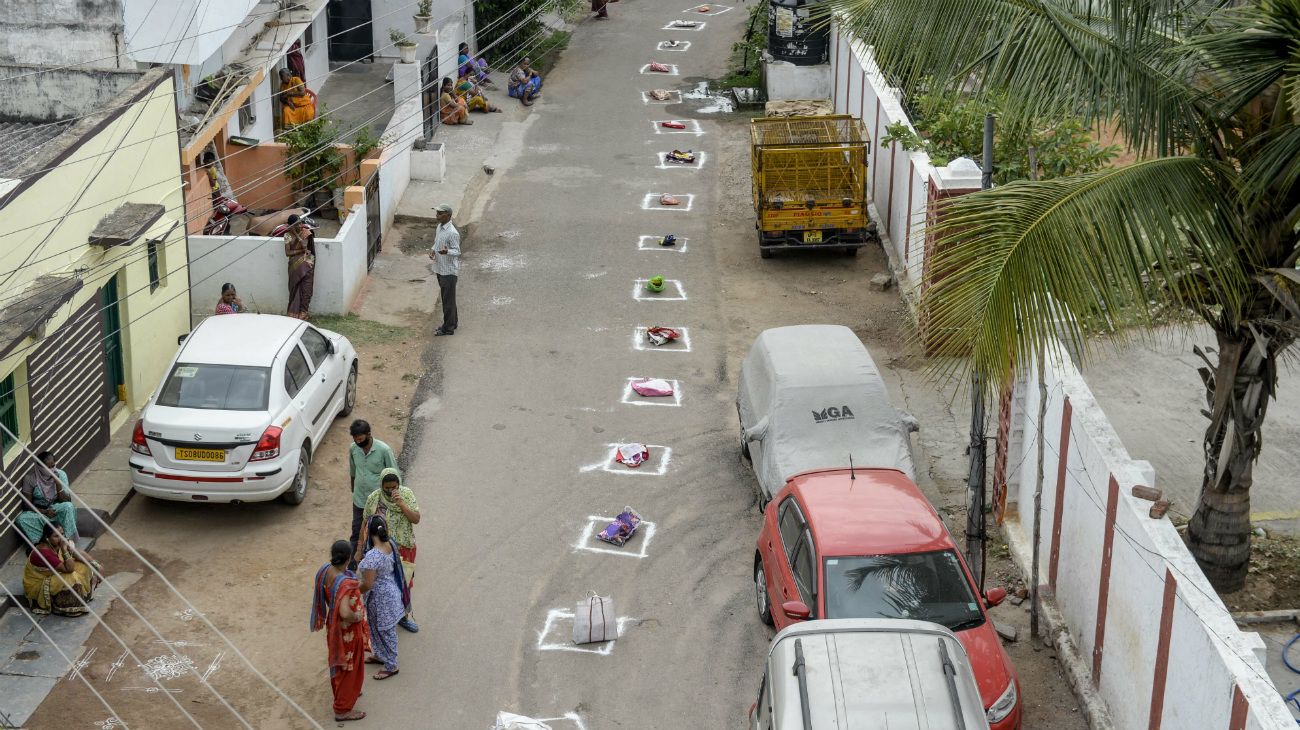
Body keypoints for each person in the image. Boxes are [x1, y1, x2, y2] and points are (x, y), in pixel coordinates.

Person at [310, 540, 368, 722]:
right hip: (346, 632)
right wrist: (357, 616)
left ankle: (347, 694)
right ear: (348, 558)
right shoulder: (344, 583)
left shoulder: (325, 570)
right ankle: (343, 709)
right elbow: (344, 612)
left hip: (333, 627)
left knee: (341, 664)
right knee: (348, 666)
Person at [357, 469, 420, 633]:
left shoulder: (406, 494)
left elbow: (416, 519)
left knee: (404, 584)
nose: (392, 491)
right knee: (382, 585)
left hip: (404, 549)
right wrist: (359, 548)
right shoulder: (374, 499)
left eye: (394, 487)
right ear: (381, 486)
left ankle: (403, 618)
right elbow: (365, 524)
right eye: (387, 488)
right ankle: (383, 618)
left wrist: (401, 504)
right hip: (383, 551)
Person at [358, 515, 408, 680]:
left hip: (381, 599)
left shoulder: (373, 556)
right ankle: (380, 655)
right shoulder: (390, 544)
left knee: (386, 631)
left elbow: (368, 584)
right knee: (376, 628)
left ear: (368, 532)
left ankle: (391, 665)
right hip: (389, 593)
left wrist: (352, 591)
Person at [348, 420, 399, 564]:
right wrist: (353, 491)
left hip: (379, 502)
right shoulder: (353, 449)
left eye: (360, 439)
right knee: (356, 532)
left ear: (369, 434)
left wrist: (395, 500)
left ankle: (383, 564)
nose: (357, 442)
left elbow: (395, 476)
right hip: (359, 499)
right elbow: (353, 471)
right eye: (355, 439)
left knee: (380, 533)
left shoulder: (384, 450)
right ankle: (351, 566)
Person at [24, 523, 101, 617]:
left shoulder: (56, 543)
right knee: (71, 576)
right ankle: (64, 607)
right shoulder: (43, 553)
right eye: (56, 536)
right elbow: (69, 569)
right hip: (39, 584)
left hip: (55, 573)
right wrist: (64, 549)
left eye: (62, 534)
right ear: (47, 538)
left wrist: (97, 566)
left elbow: (77, 553)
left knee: (84, 566)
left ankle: (81, 598)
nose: (61, 538)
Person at [16, 451, 78, 547]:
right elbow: (27, 505)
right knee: (21, 519)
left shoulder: (61, 474)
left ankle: (67, 540)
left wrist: (58, 483)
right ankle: (45, 541)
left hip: (56, 508)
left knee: (68, 507)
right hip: (40, 512)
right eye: (47, 467)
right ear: (40, 467)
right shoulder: (30, 479)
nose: (51, 470)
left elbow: (66, 500)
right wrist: (44, 512)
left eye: (53, 466)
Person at [429, 203, 460, 336]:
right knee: (448, 299)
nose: (437, 216)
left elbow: (457, 251)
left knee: (447, 301)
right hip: (440, 269)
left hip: (449, 272)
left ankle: (448, 328)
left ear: (447, 215)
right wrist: (433, 250)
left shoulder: (452, 233)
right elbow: (437, 242)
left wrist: (447, 252)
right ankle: (453, 322)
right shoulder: (439, 227)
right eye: (437, 213)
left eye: (440, 214)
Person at [284, 214, 315, 320]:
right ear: (290, 226)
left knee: (306, 289)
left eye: (300, 223)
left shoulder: (305, 232)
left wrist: (298, 236)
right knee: (295, 289)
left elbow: (307, 247)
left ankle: (304, 312)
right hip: (294, 267)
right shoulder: (287, 235)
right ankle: (294, 313)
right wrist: (295, 235)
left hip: (307, 264)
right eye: (296, 224)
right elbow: (288, 253)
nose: (299, 226)